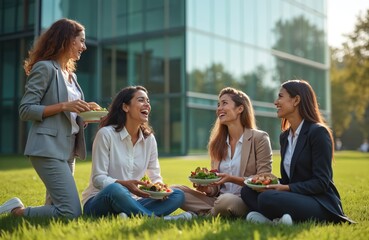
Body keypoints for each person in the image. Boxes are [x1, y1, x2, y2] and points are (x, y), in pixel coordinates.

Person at [0, 18, 101, 218]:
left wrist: (85, 113)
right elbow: (26, 109)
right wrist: (65, 105)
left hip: (68, 150)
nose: (84, 46)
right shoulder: (45, 68)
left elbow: (68, 116)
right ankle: (15, 212)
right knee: (71, 212)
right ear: (67, 39)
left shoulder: (71, 76)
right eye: (81, 40)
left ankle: (26, 217)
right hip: (47, 148)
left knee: (55, 208)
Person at [241, 80, 355, 225]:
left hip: (319, 201)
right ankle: (278, 221)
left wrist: (286, 188)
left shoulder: (318, 132)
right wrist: (270, 181)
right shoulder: (285, 137)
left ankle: (273, 220)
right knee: (247, 190)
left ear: (296, 100)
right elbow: (291, 180)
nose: (276, 102)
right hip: (296, 197)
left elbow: (321, 182)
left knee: (267, 198)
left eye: (280, 96)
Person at [81, 86, 191, 220]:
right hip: (100, 200)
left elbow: (155, 176)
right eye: (141, 100)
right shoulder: (106, 134)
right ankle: (157, 219)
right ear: (125, 107)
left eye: (148, 101)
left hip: (134, 201)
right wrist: (124, 184)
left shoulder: (149, 139)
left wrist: (159, 187)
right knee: (116, 189)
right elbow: (98, 179)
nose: (147, 105)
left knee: (177, 195)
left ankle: (127, 214)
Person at [173, 87, 273, 218]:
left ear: (240, 109)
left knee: (225, 201)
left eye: (224, 103)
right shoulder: (217, 143)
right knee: (176, 191)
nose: (219, 108)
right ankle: (209, 213)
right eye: (218, 105)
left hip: (243, 201)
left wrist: (233, 179)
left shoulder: (259, 138)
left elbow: (264, 179)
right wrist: (208, 188)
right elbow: (216, 187)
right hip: (218, 200)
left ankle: (198, 214)